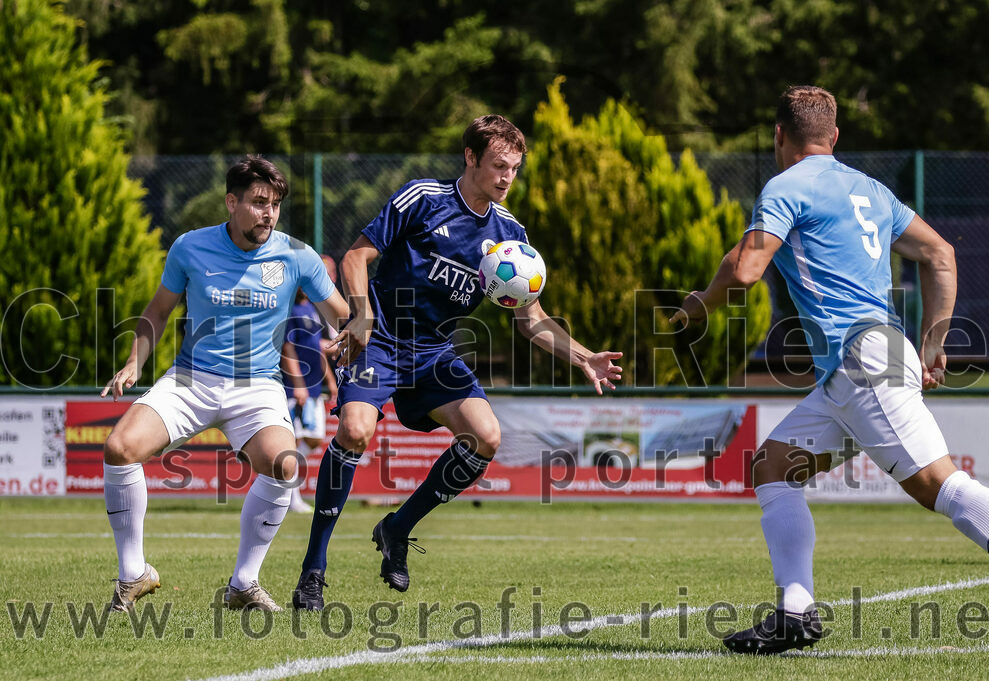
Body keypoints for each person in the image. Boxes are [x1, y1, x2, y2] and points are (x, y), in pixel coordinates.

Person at [671, 85, 989, 655]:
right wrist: (933, 345)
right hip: (858, 367)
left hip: (864, 364)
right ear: (834, 137)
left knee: (939, 486)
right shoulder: (872, 190)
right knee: (772, 467)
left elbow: (744, 270)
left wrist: (698, 304)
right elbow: (941, 255)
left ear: (779, 136)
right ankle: (795, 612)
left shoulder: (785, 186)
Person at [292, 115, 623, 609]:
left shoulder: (511, 234)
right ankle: (313, 571)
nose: (507, 177)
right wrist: (360, 318)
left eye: (514, 167)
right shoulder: (423, 198)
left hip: (434, 353)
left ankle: (397, 528)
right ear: (470, 158)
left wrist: (583, 357)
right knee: (355, 431)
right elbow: (356, 257)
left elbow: (531, 319)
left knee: (486, 436)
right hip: (379, 340)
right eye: (498, 165)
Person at [101, 156, 350, 613]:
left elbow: (341, 314)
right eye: (258, 202)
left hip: (258, 388)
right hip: (191, 379)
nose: (268, 213)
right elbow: (157, 311)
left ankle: (243, 583)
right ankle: (133, 574)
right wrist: (133, 363)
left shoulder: (297, 255)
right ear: (231, 202)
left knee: (286, 465)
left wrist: (349, 338)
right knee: (119, 448)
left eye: (274, 204)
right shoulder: (189, 247)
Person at [281, 287, 339, 513]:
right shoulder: (289, 310)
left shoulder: (311, 308)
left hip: (315, 387)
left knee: (315, 438)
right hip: (295, 388)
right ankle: (291, 498)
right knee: (292, 441)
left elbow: (317, 348)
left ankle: (282, 477)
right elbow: (287, 348)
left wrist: (331, 380)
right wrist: (298, 385)